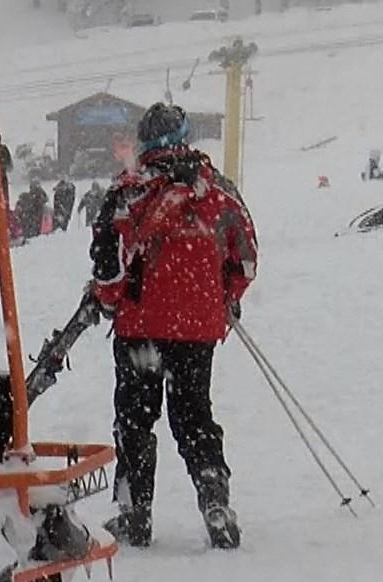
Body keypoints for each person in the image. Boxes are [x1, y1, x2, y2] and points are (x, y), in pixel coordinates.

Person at [90, 103, 258, 551]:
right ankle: (215, 501)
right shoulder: (218, 193)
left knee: (135, 420)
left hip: (140, 329)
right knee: (194, 416)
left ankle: (135, 511)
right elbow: (245, 258)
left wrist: (109, 300)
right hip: (197, 332)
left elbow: (107, 269)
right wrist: (223, 299)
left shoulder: (128, 193)